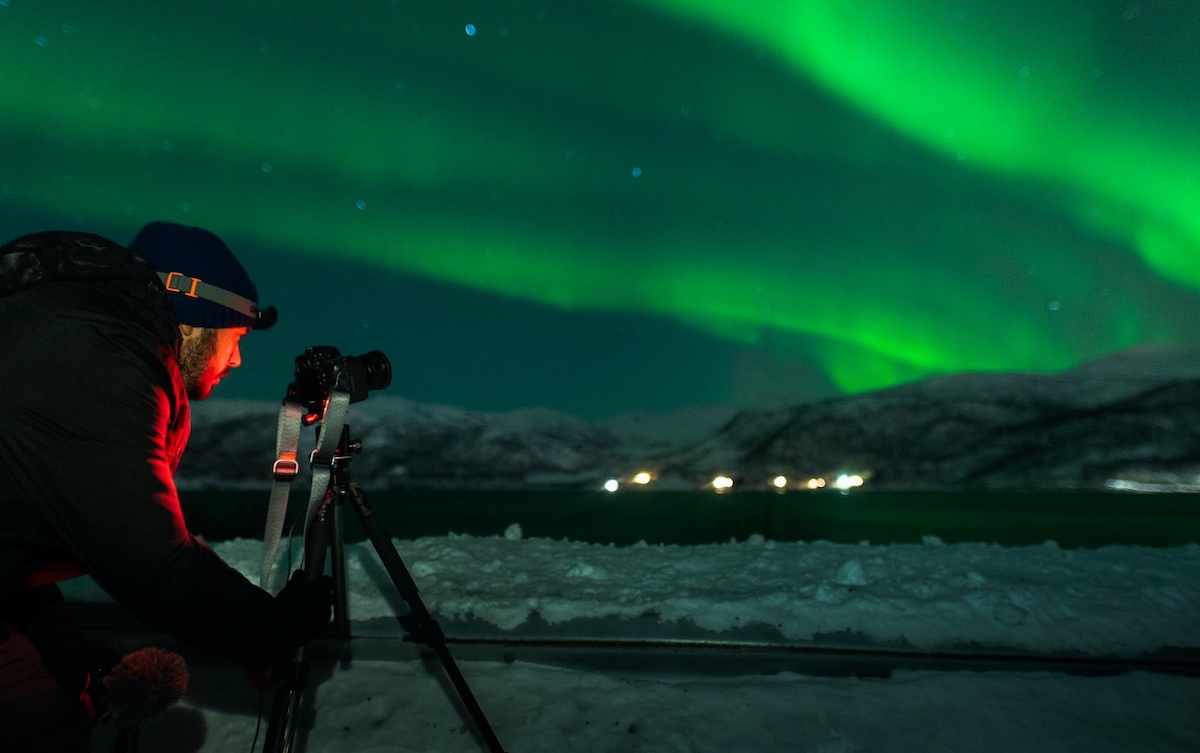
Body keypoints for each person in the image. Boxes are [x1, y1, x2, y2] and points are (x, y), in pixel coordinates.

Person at [0, 222, 334, 751]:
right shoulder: (96, 358)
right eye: (237, 337)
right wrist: (273, 629)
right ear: (197, 316)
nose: (238, 360)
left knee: (62, 682)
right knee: (43, 729)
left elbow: (19, 531)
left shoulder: (79, 332)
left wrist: (65, 654)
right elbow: (148, 558)